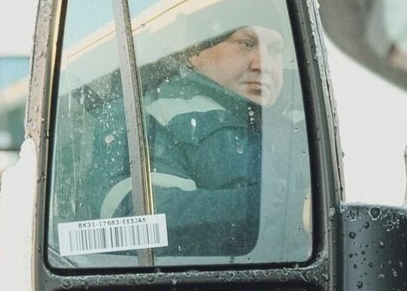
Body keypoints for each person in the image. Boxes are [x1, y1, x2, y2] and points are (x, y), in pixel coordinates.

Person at [94, 24, 307, 259]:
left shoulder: (304, 127)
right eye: (246, 44)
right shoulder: (145, 114)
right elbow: (134, 221)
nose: (264, 65)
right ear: (195, 53)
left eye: (275, 50)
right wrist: (293, 211)